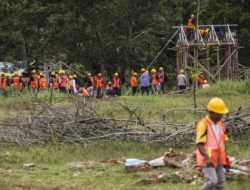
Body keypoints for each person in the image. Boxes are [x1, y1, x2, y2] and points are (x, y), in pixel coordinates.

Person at [196, 97, 230, 190]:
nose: (221, 116)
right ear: (212, 112)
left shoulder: (220, 123)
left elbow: (221, 142)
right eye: (219, 114)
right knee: (212, 181)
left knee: (220, 183)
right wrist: (207, 158)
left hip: (218, 157)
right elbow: (199, 143)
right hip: (207, 158)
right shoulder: (203, 124)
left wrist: (225, 158)